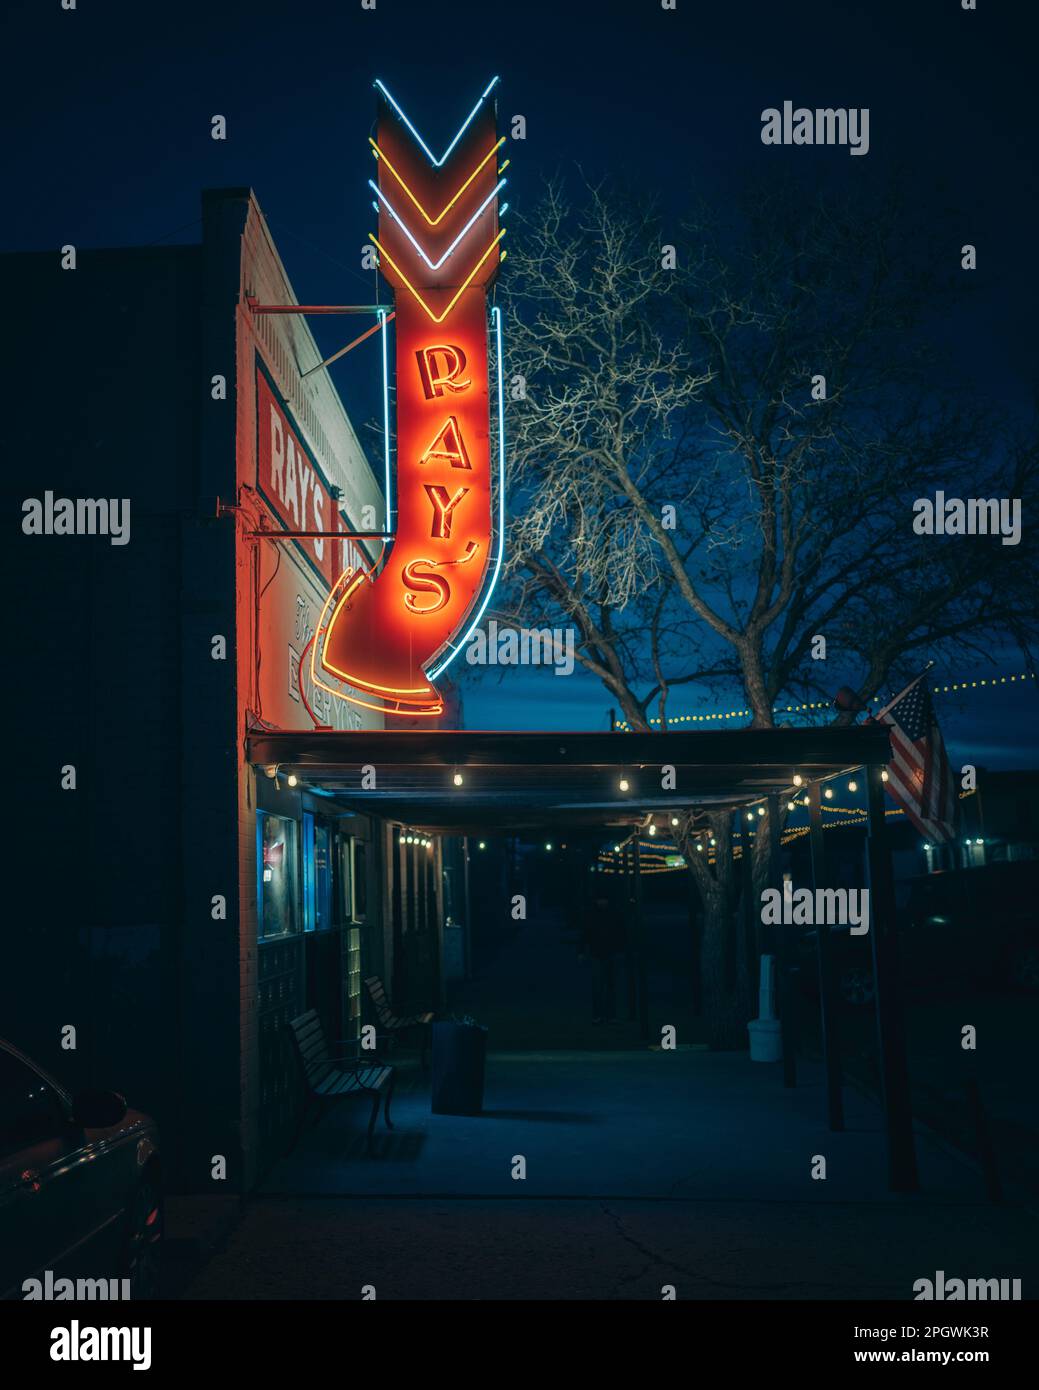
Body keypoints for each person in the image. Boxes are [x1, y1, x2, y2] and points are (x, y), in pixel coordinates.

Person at [581, 881, 627, 1023]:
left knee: (607, 985)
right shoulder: (604, 914)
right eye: (600, 900)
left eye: (603, 899)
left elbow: (621, 933)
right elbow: (586, 933)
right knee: (602, 986)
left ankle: (605, 1015)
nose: (602, 902)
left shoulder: (605, 914)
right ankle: (604, 1015)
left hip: (608, 952)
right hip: (602, 952)